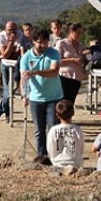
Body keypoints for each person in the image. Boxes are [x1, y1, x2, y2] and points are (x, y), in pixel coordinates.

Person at [21, 28, 63, 163]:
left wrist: (37, 72)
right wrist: (24, 95)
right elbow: (24, 79)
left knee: (53, 129)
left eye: (45, 42)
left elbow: (54, 71)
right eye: (40, 43)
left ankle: (54, 156)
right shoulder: (26, 58)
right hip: (35, 99)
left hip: (54, 97)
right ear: (33, 42)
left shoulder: (54, 53)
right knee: (39, 130)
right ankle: (42, 156)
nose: (43, 46)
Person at [0, 21, 23, 121]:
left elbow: (18, 53)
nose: (12, 32)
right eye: (10, 30)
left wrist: (2, 55)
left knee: (11, 88)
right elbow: (6, 55)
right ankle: (7, 113)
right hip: (5, 64)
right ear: (5, 29)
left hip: (17, 65)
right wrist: (11, 42)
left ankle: (0, 111)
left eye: (14, 29)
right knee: (6, 88)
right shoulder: (0, 36)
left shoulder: (20, 35)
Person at [46, 100, 85, 168]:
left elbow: (50, 149)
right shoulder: (77, 129)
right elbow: (81, 148)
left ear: (57, 115)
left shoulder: (53, 130)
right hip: (75, 163)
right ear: (73, 113)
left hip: (57, 163)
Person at [56, 22, 87, 104]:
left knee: (71, 102)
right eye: (78, 33)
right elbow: (57, 61)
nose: (80, 35)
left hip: (76, 78)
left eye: (81, 33)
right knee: (63, 101)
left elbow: (84, 60)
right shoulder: (62, 43)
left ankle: (68, 116)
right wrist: (72, 60)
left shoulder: (81, 45)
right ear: (71, 32)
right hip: (64, 77)